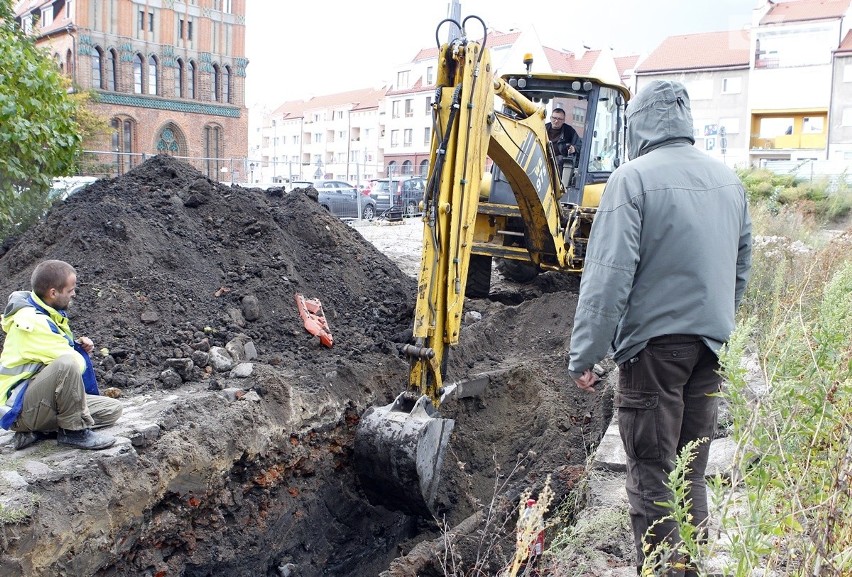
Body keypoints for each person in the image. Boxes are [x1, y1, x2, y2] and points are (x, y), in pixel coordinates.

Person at [567, 80, 752, 576]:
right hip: (711, 350)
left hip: (653, 354)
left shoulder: (632, 180)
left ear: (639, 125)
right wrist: (718, 328)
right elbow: (739, 268)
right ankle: (688, 566)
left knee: (652, 472)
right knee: (689, 470)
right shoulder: (728, 182)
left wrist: (587, 353)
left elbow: (608, 275)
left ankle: (666, 571)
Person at [1, 260, 122, 450]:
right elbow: (73, 363)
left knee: (112, 410)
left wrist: (77, 346)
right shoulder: (32, 322)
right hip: (19, 410)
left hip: (40, 402)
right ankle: (73, 432)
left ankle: (41, 431)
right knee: (67, 363)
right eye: (70, 289)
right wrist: (76, 353)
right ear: (53, 293)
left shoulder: (47, 312)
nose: (74, 293)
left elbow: (52, 351)